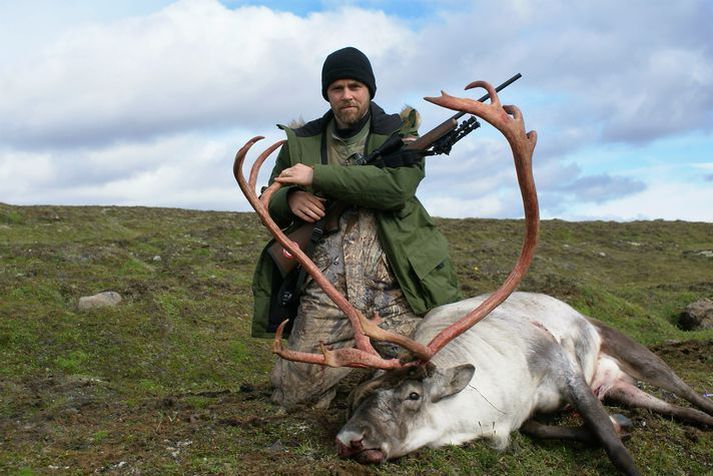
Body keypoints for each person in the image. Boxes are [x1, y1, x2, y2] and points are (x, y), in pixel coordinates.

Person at [251, 46, 462, 410]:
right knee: (292, 395)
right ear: (327, 95)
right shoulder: (301, 141)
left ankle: (374, 375)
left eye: (355, 86)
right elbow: (269, 195)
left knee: (435, 378)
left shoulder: (399, 133)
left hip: (395, 286)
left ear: (369, 91)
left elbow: (395, 190)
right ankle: (364, 371)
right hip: (328, 290)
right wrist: (292, 201)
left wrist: (317, 176)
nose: (347, 95)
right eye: (337, 88)